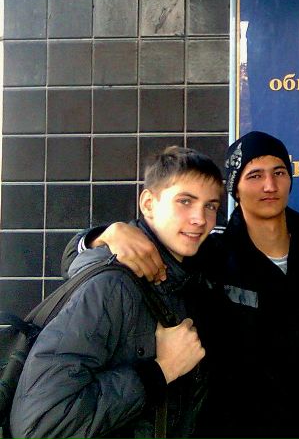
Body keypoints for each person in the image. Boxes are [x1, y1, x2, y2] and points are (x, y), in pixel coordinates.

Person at [62, 131, 299, 438]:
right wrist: (100, 237)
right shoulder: (209, 254)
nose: (269, 185)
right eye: (255, 175)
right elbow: (78, 263)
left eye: (279, 173)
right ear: (235, 188)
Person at [10, 146, 224, 439]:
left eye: (210, 206)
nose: (200, 218)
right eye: (185, 201)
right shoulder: (112, 286)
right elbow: (40, 424)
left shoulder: (185, 276)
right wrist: (160, 371)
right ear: (148, 204)